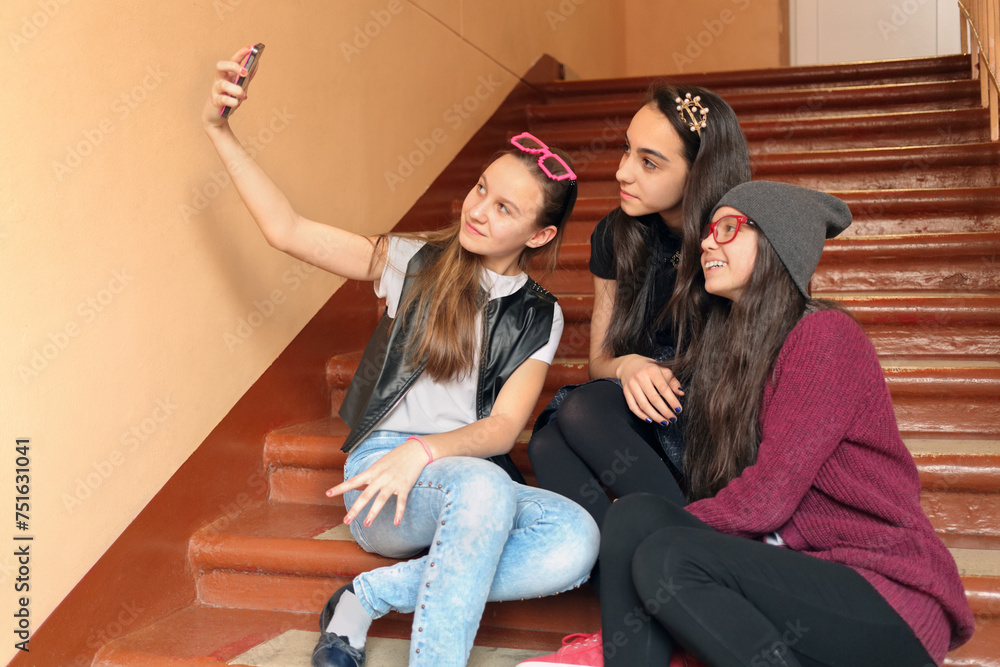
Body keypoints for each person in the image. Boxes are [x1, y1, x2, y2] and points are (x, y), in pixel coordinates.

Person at [203, 46, 600, 667]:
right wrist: (219, 129)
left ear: (540, 235)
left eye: (505, 209)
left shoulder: (538, 313)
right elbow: (287, 230)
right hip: (384, 481)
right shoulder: (411, 263)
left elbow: (501, 428)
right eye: (480, 188)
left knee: (575, 538)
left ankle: (363, 600)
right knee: (485, 486)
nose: (476, 209)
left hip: (454, 471)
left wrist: (426, 451)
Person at [519, 181, 975, 667]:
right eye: (708, 231)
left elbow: (768, 499)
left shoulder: (825, 336)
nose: (707, 242)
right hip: (796, 579)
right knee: (635, 516)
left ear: (777, 244)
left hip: (884, 596)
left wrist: (656, 540)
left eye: (728, 228)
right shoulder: (731, 356)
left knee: (665, 550)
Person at [527, 85, 751, 523]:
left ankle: (695, 545)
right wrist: (628, 366)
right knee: (547, 441)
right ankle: (645, 563)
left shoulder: (734, 237)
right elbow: (599, 362)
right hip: (641, 403)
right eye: (626, 150)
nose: (623, 173)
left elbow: (752, 364)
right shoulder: (617, 234)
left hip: (713, 414)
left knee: (582, 411)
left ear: (699, 173)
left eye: (649, 162)